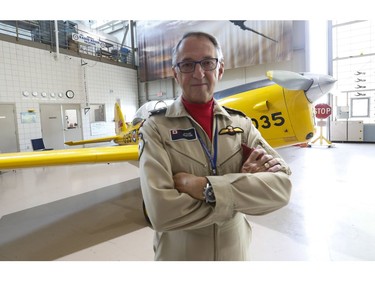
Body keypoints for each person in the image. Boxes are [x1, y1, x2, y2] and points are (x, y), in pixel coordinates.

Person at [138, 31, 292, 261]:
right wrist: (242, 189)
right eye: (188, 64)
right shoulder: (156, 128)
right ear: (175, 73)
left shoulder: (241, 125)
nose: (199, 73)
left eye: (207, 63)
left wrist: (204, 187)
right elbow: (161, 213)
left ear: (219, 69)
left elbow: (281, 188)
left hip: (235, 255)